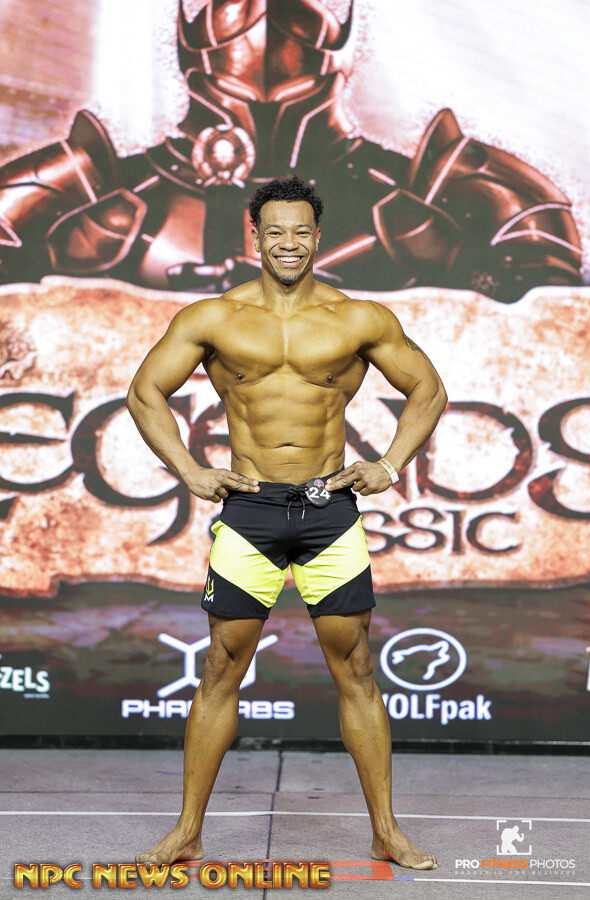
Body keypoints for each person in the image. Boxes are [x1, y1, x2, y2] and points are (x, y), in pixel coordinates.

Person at [127, 175, 447, 870]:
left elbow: (427, 387)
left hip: (329, 509)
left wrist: (390, 464)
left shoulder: (357, 318)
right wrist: (190, 470)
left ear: (317, 237)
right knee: (222, 666)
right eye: (275, 231)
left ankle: (386, 832)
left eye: (301, 231)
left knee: (355, 667)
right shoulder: (214, 318)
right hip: (251, 511)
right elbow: (145, 390)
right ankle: (187, 832)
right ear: (256, 237)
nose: (289, 243)